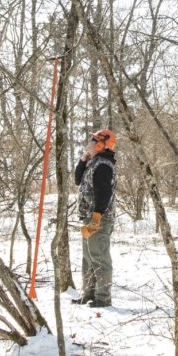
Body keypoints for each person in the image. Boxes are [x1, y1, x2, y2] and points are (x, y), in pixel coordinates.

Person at [71, 128, 117, 308]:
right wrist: (83, 160)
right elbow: (77, 179)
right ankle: (89, 293)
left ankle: (103, 297)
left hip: (99, 218)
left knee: (99, 257)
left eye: (93, 140)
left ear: (101, 144)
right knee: (88, 257)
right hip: (88, 217)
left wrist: (97, 216)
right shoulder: (93, 162)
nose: (89, 143)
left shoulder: (103, 165)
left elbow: (104, 193)